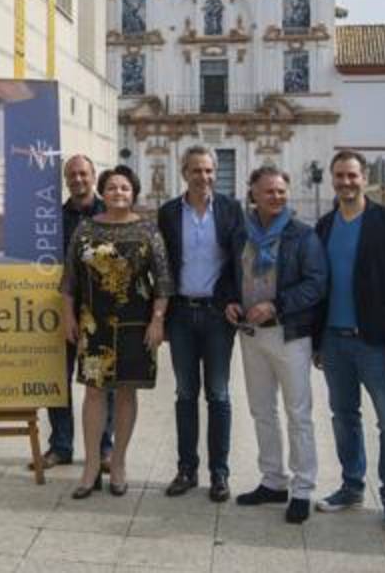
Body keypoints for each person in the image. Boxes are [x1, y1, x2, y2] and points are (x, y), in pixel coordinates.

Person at [313, 150, 385, 533]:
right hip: (334, 341)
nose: (346, 182)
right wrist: (317, 343)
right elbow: (319, 287)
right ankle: (351, 486)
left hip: (376, 342)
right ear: (332, 179)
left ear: (364, 178)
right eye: (339, 176)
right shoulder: (324, 226)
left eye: (352, 176)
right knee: (344, 418)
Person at [62, 165, 172, 498]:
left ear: (133, 193)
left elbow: (163, 282)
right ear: (103, 192)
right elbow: (69, 280)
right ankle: (91, 465)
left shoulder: (148, 231)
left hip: (135, 325)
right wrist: (69, 317)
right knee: (93, 392)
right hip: (93, 324)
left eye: (124, 188)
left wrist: (157, 320)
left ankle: (119, 463)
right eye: (112, 188)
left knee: (126, 392)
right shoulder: (85, 228)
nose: (118, 193)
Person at [227, 166, 327, 524]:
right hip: (251, 336)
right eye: (269, 191)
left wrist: (276, 304)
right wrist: (230, 301)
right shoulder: (242, 234)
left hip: (290, 334)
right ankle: (273, 480)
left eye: (281, 191)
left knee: (298, 413)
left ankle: (302, 487)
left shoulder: (302, 235)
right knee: (261, 411)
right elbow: (231, 275)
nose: (277, 197)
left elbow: (316, 284)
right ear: (253, 193)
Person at [157, 146, 243, 502]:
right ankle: (186, 469)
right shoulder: (167, 213)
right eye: (196, 171)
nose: (204, 177)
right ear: (184, 173)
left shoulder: (231, 210)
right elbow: (160, 267)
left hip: (217, 315)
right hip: (180, 314)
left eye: (209, 171)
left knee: (219, 395)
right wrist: (158, 316)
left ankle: (219, 474)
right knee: (185, 394)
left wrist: (236, 299)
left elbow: (241, 259)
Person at [33, 154, 117, 471]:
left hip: (101, 312)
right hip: (63, 309)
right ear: (66, 180)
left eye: (83, 173)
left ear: (93, 176)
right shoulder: (55, 216)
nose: (78, 179)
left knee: (101, 381)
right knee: (59, 379)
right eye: (72, 175)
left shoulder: (110, 214)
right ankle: (61, 445)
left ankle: (103, 449)